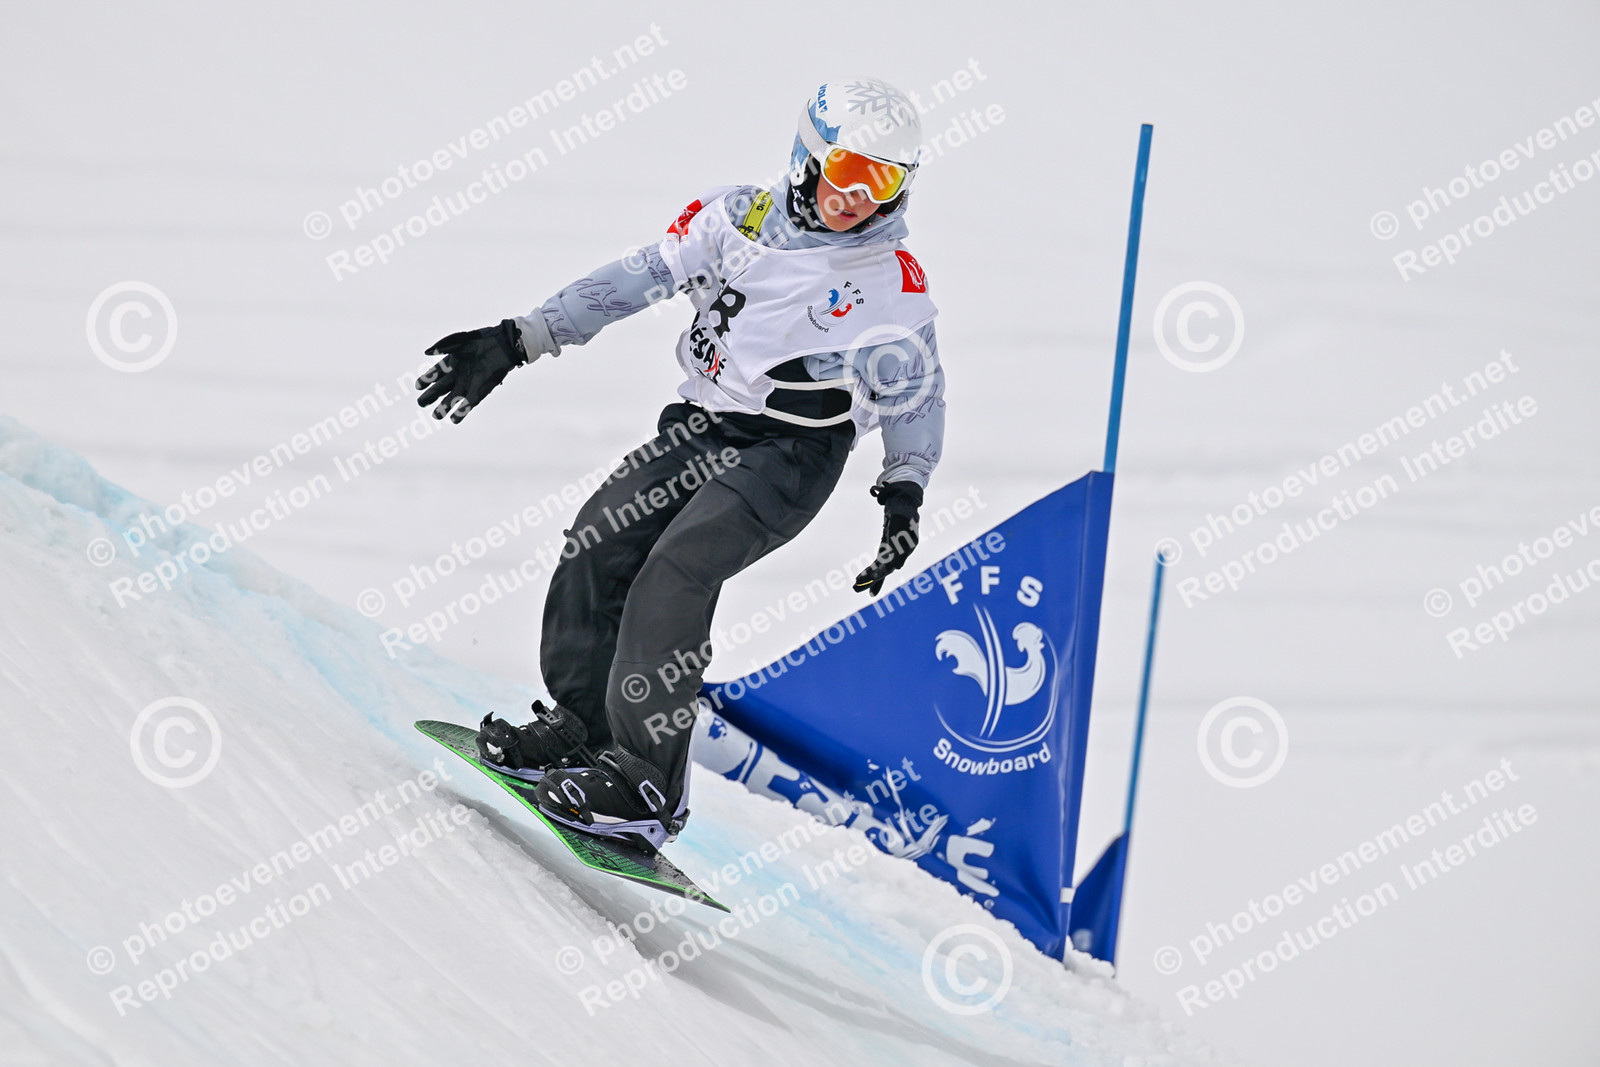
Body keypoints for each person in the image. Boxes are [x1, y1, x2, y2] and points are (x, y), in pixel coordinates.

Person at [414, 77, 946, 852]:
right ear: (809, 156)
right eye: (848, 171)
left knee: (676, 571)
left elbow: (917, 392)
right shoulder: (734, 219)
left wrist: (905, 489)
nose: (858, 198)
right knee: (599, 539)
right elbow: (634, 280)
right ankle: (583, 728)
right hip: (701, 428)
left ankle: (647, 784)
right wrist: (520, 337)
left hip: (791, 453)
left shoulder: (888, 283)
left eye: (883, 182)